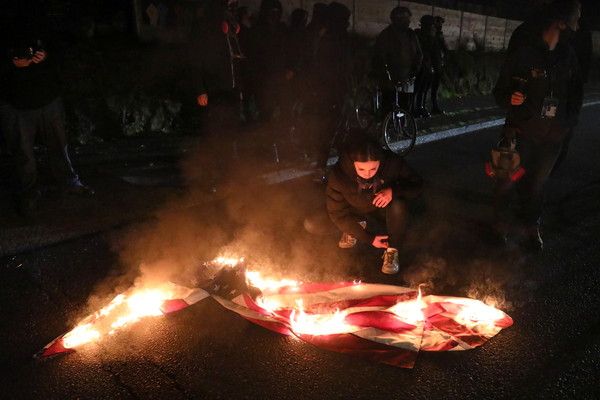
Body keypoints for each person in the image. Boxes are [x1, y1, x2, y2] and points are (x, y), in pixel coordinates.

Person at [491, 0, 583, 250]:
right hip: (521, 130)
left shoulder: (568, 55)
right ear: (559, 22)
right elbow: (500, 90)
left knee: (537, 184)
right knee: (507, 180)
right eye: (572, 20)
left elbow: (576, 94)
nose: (575, 27)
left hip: (552, 136)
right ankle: (499, 227)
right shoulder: (525, 50)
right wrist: (510, 98)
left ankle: (532, 228)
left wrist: (567, 123)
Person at [0, 6, 93, 216]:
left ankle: (68, 181)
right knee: (23, 151)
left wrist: (45, 55)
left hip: (46, 94)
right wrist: (11, 62)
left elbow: (60, 47)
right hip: (12, 99)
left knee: (58, 143)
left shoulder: (39, 15)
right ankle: (28, 192)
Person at [305, 133, 423, 274]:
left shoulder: (392, 163)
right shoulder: (339, 174)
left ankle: (392, 250)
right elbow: (337, 214)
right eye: (361, 169)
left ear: (380, 162)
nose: (367, 174)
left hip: (380, 209)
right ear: (352, 163)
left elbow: (418, 184)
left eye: (373, 169)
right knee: (313, 223)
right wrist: (369, 238)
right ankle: (356, 225)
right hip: (353, 210)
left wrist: (393, 190)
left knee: (398, 205)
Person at [306, 2, 352, 182]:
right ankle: (320, 167)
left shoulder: (335, 36)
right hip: (331, 92)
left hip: (336, 91)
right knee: (328, 130)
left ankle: (340, 167)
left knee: (338, 129)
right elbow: (330, 69)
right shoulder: (332, 38)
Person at [373, 6, 422, 115]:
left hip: (408, 76)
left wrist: (416, 68)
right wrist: (385, 72)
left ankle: (402, 124)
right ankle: (387, 124)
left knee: (405, 103)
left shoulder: (411, 34)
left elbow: (419, 53)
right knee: (389, 102)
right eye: (405, 18)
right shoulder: (387, 34)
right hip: (391, 76)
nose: (408, 21)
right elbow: (380, 55)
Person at [414, 15, 437, 118]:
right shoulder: (420, 36)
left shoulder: (430, 36)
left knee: (425, 88)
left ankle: (422, 107)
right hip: (421, 66)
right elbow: (426, 50)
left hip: (428, 65)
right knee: (418, 88)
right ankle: (416, 109)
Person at [430, 16, 448, 114]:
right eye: (438, 24)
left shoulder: (439, 35)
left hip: (438, 63)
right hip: (433, 64)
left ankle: (434, 106)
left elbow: (443, 49)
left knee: (435, 87)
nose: (439, 26)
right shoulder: (432, 35)